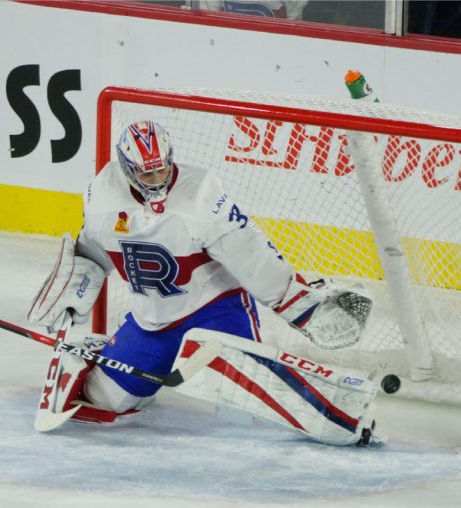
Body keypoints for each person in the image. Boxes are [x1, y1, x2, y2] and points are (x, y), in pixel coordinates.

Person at [27, 120, 377, 446]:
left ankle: (344, 414)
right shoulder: (102, 198)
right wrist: (73, 290)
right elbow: (94, 250)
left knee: (240, 411)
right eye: (146, 174)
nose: (157, 179)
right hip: (153, 323)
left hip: (215, 311)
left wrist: (305, 306)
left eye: (162, 169)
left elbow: (252, 256)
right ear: (127, 169)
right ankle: (103, 350)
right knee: (105, 399)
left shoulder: (201, 199)